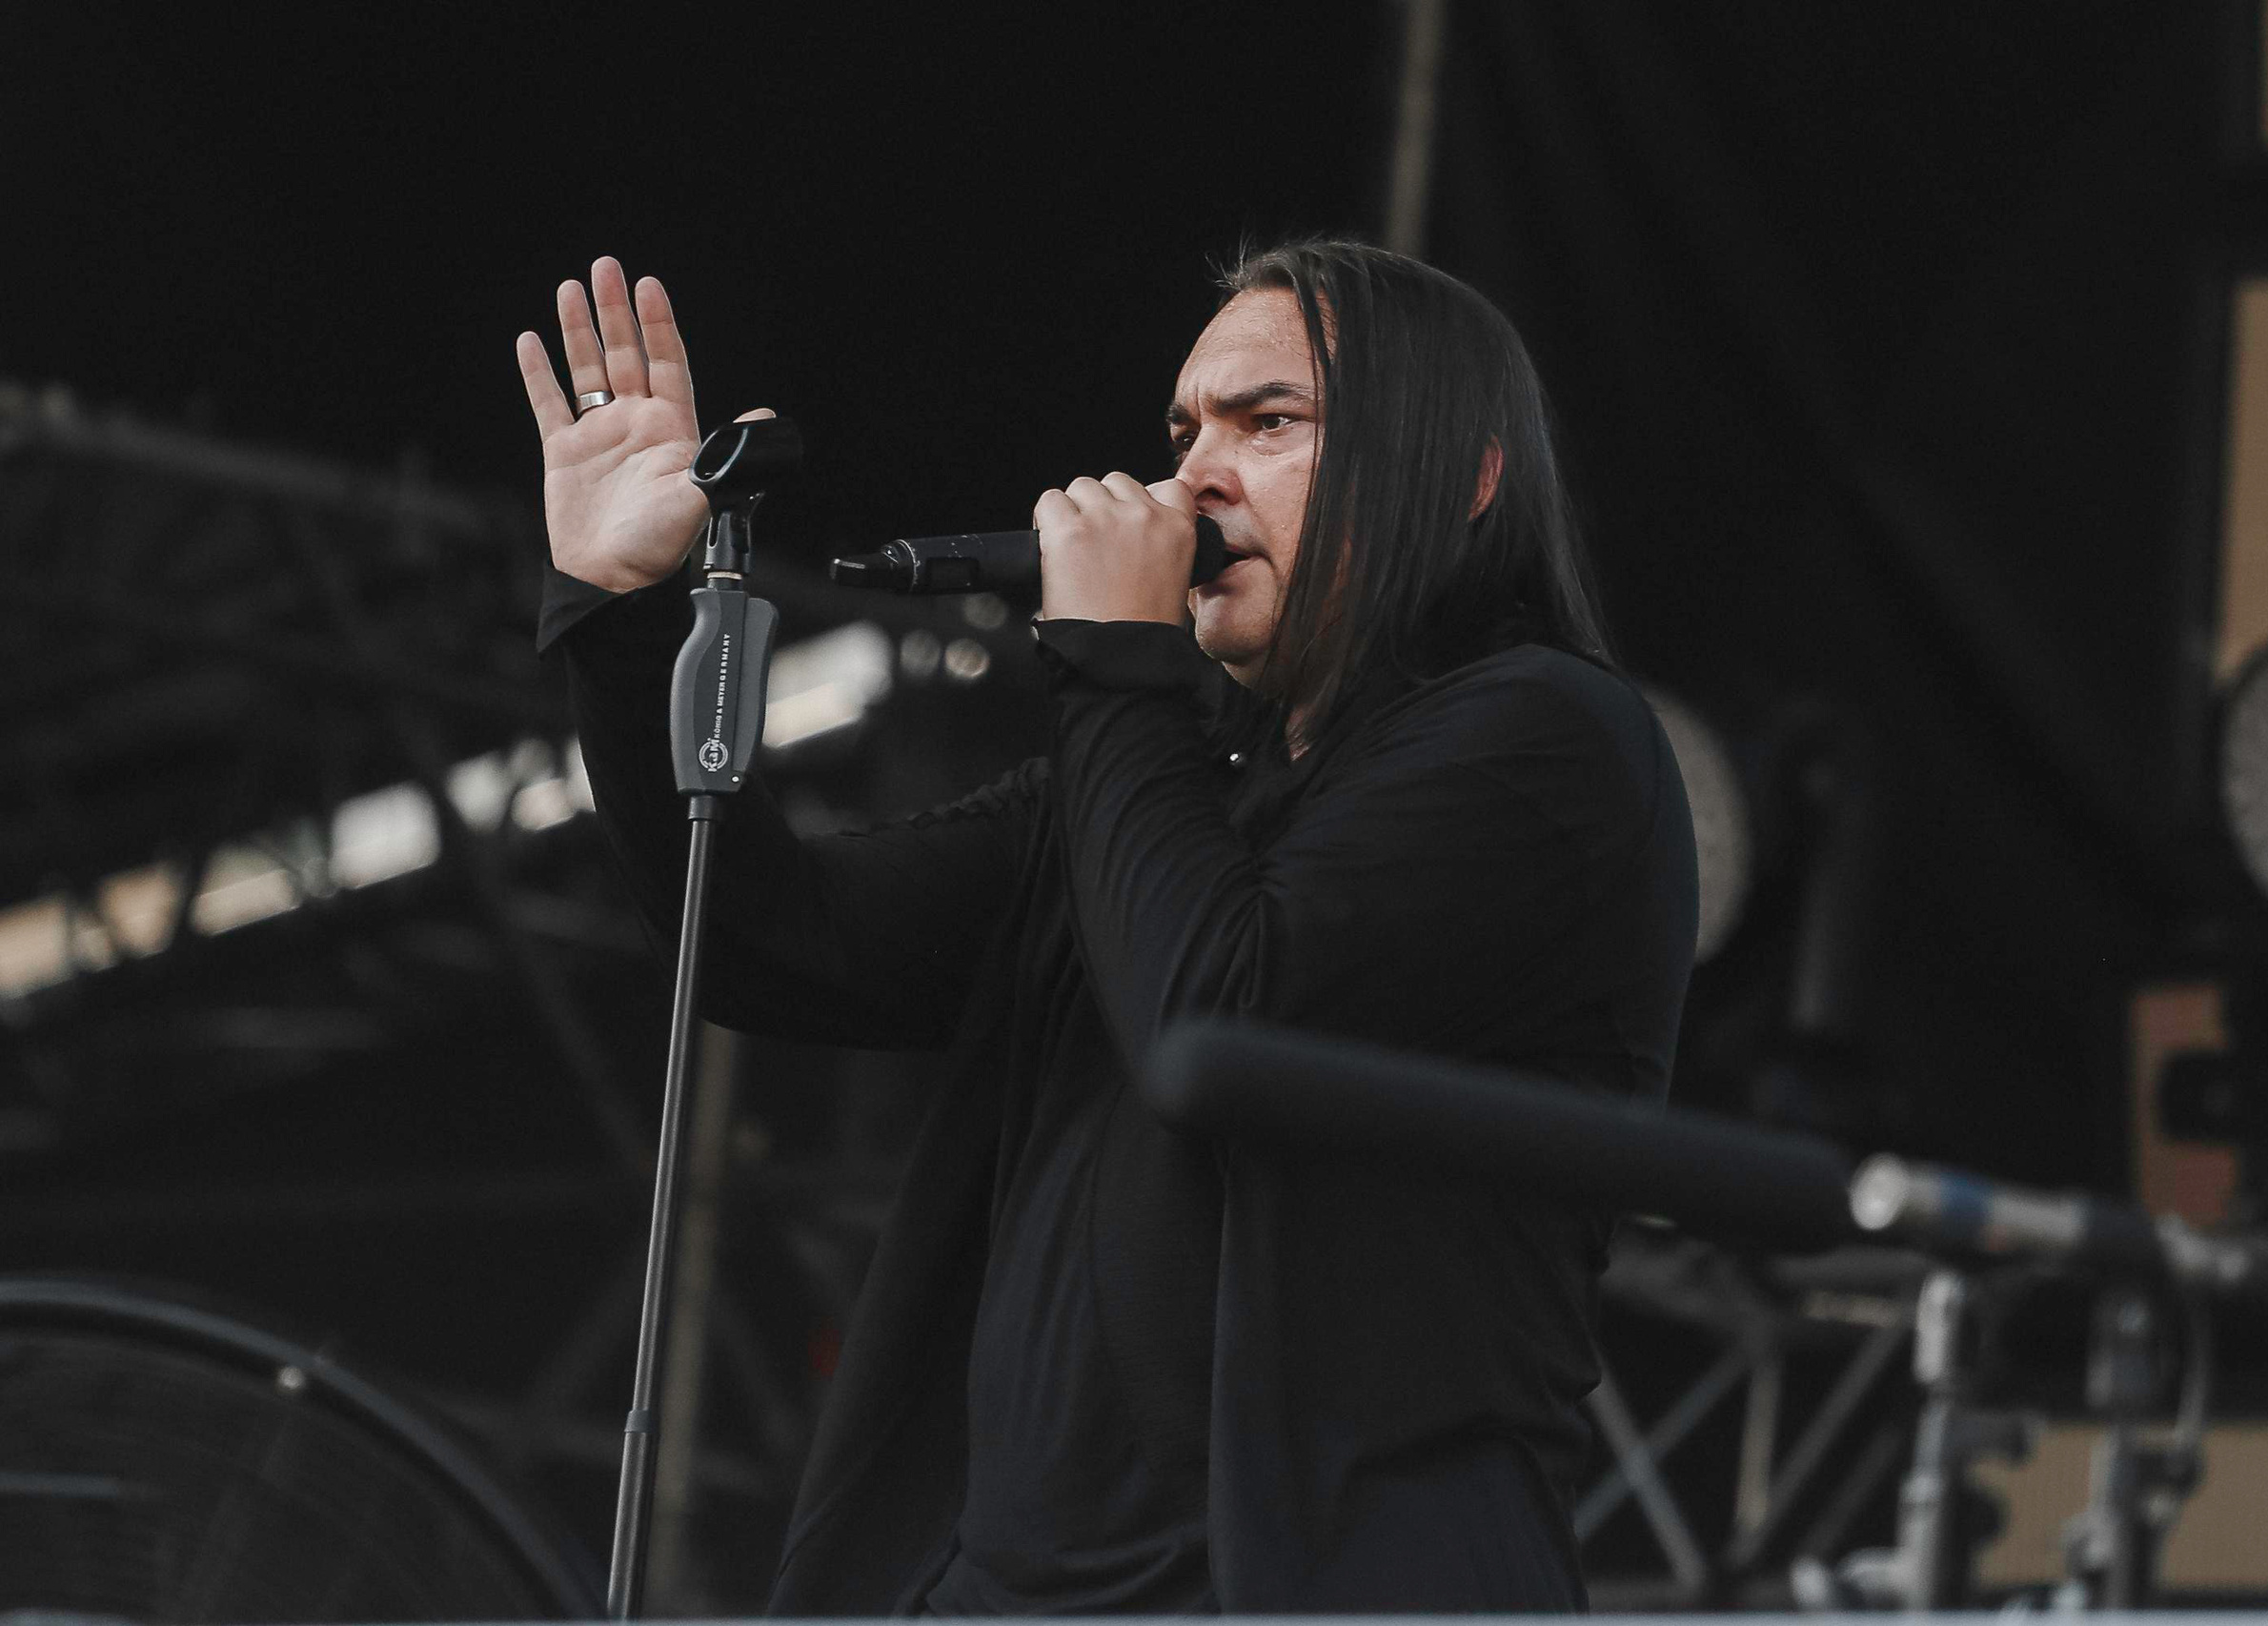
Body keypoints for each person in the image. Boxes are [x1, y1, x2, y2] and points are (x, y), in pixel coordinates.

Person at [515, 238, 1698, 1614]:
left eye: (1271, 423)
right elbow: (770, 937)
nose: (1193, 472)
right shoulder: (1163, 778)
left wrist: (1120, 669)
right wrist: (617, 619)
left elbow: (1219, 1024)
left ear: (1473, 474)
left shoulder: (1550, 741)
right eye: (1185, 428)